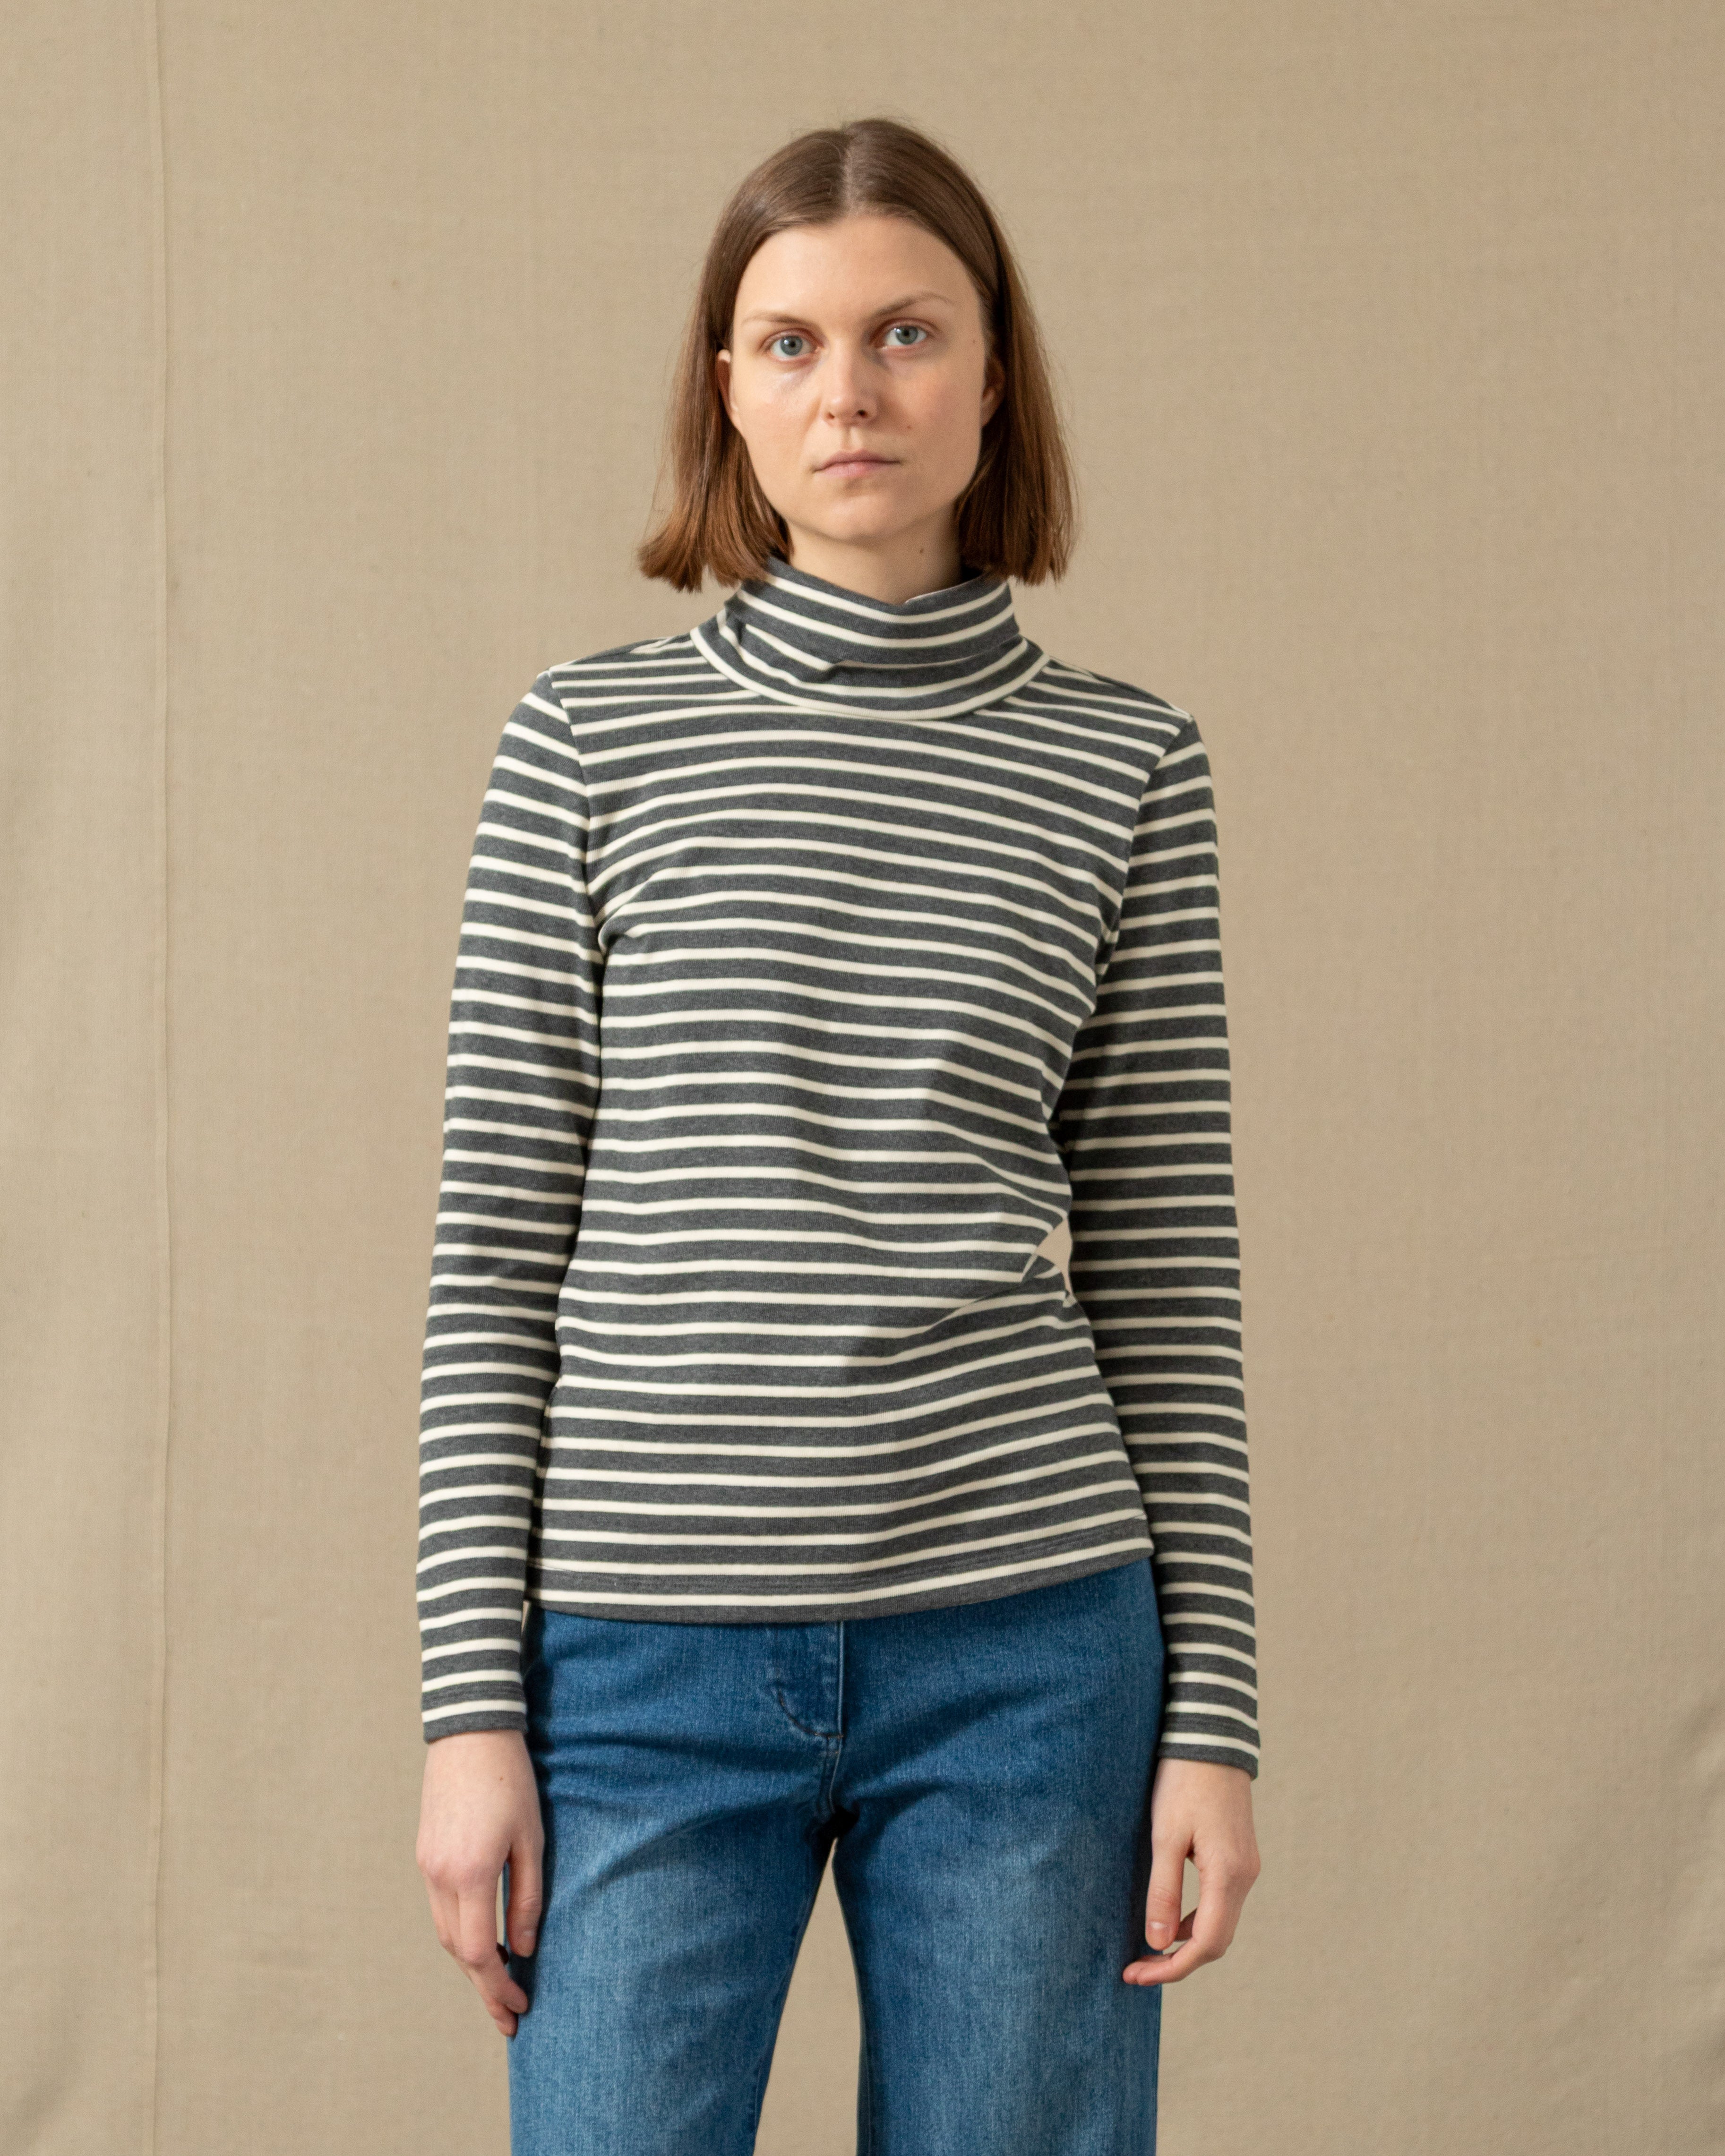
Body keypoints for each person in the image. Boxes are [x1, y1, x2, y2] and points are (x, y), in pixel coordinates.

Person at [414, 113, 1261, 2156]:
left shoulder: (1126, 767)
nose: (849, 391)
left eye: (905, 332)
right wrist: (467, 1712)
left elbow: (1168, 1273)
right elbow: (493, 1258)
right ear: (727, 387)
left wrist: (1213, 1721)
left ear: (993, 376)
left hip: (1027, 1650)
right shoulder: (587, 744)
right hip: (637, 1663)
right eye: (789, 342)